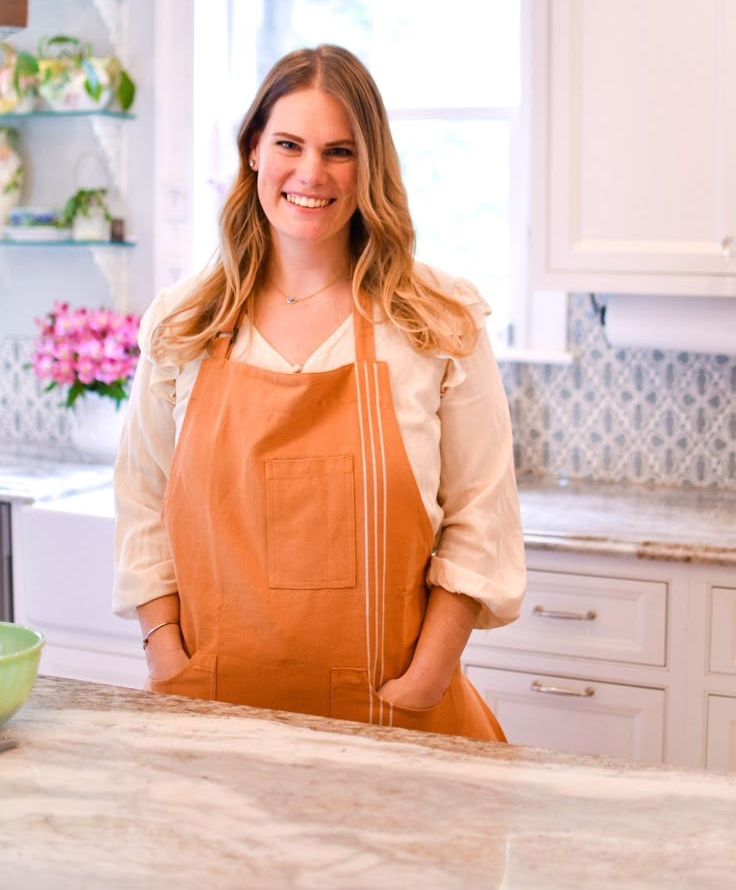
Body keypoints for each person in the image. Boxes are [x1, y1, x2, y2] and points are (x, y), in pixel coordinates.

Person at [113, 44, 526, 741]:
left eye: (340, 151)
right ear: (252, 150)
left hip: (397, 720)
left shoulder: (436, 321)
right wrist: (165, 652)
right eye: (289, 144)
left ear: (371, 167)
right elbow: (141, 500)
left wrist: (424, 681)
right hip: (214, 719)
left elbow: (482, 517)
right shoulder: (185, 322)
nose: (311, 173)